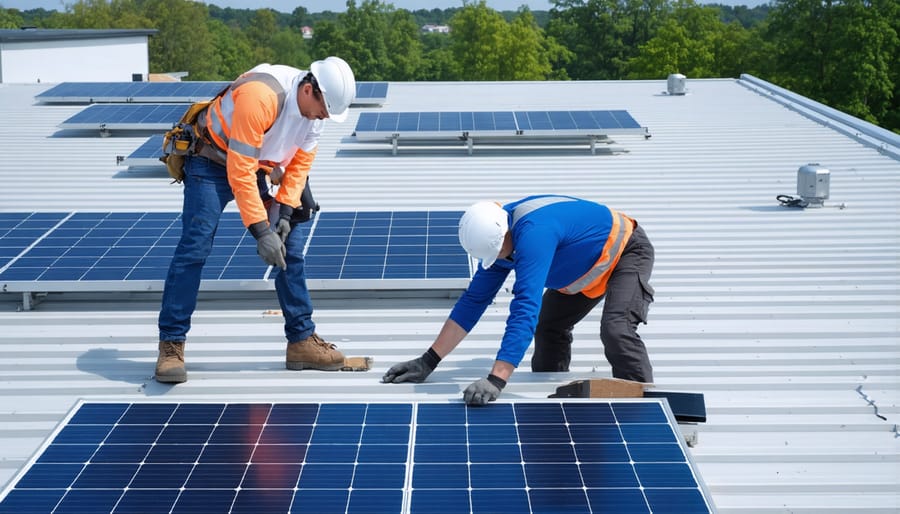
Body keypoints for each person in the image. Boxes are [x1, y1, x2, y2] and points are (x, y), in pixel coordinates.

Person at [155, 57, 356, 383]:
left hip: (256, 164)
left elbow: (298, 169)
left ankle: (301, 339)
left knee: (290, 248)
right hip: (210, 161)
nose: (323, 118)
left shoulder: (316, 116)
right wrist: (261, 230)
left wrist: (286, 214)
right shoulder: (261, 97)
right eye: (323, 110)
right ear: (309, 90)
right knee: (196, 246)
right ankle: (171, 344)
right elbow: (240, 173)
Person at [382, 195, 655, 405]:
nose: (499, 260)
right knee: (549, 327)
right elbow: (473, 302)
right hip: (583, 270)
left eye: (499, 253)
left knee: (616, 329)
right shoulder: (499, 244)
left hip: (625, 252)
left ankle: (644, 411)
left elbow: (525, 307)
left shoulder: (535, 234)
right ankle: (557, 397)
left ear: (505, 236)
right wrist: (428, 360)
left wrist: (497, 379)